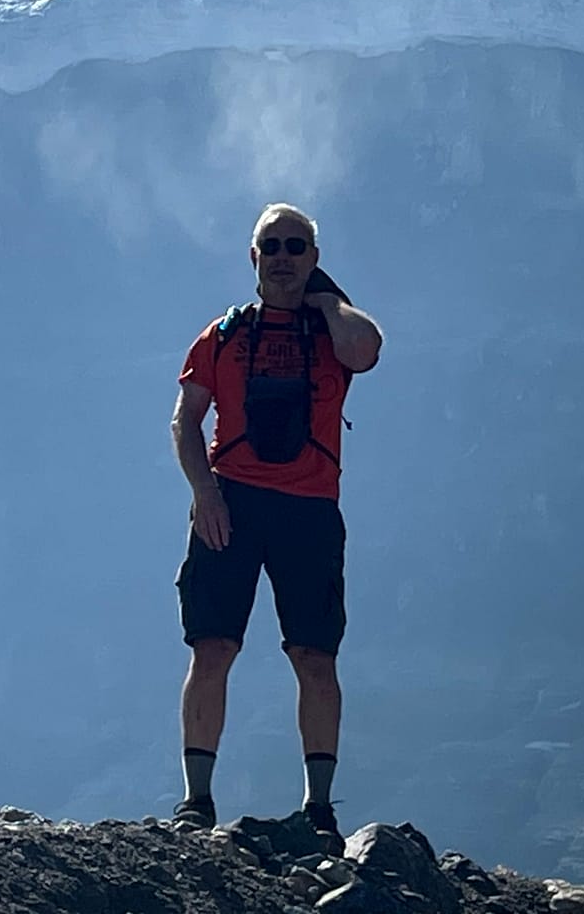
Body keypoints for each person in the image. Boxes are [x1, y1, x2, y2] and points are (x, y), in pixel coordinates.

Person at [169, 202, 384, 852]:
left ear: (314, 259)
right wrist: (203, 493)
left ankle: (318, 809)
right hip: (230, 502)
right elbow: (185, 421)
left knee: (315, 658)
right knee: (213, 647)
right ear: (252, 256)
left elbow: (368, 350)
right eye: (272, 245)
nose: (283, 256)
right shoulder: (223, 335)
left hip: (309, 510)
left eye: (296, 246)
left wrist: (323, 300)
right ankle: (196, 801)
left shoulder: (331, 334)